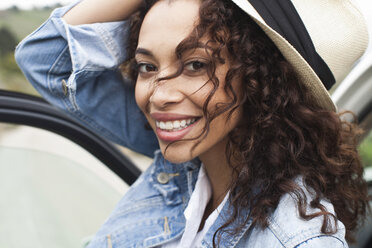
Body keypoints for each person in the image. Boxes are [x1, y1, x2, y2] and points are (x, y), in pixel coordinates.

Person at [15, 0, 370, 247]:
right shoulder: (189, 154)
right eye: (147, 66)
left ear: (263, 81)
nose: (158, 96)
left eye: (196, 65)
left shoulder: (297, 239)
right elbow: (49, 60)